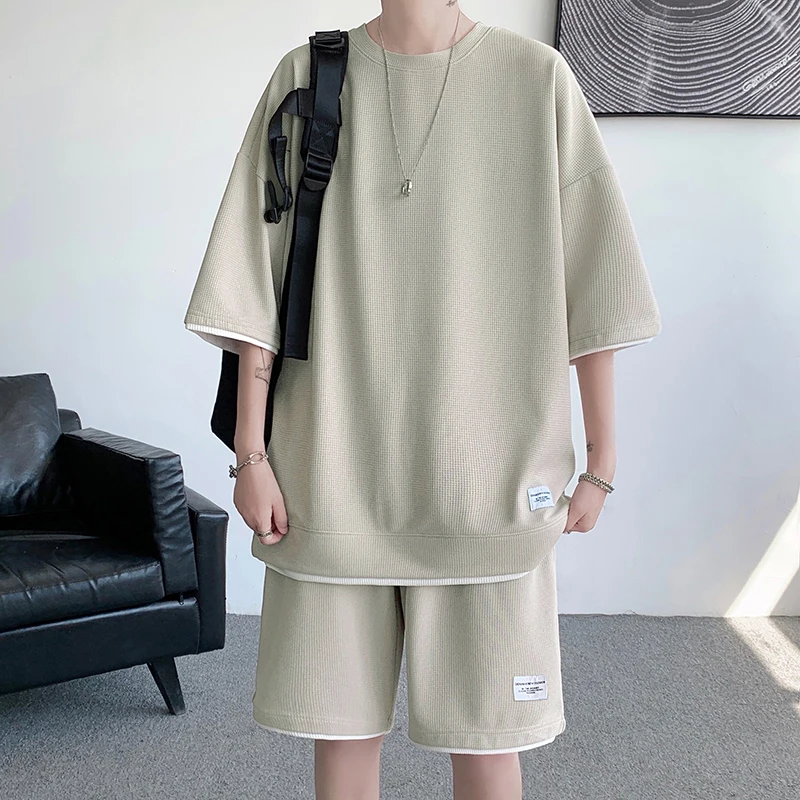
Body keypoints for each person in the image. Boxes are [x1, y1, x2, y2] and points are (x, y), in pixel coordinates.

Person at [183, 2, 662, 798]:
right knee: (343, 738)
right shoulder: (309, 75)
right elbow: (254, 284)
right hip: (330, 482)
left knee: (488, 744)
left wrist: (602, 460)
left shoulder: (535, 80)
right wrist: (251, 456)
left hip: (489, 487)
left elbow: (596, 277)